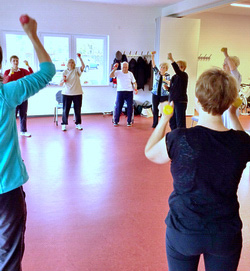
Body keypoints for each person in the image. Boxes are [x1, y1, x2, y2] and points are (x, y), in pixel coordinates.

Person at [145, 68, 250, 271]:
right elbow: (241, 138)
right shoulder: (242, 143)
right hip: (224, 234)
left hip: (184, 232)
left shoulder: (180, 138)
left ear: (197, 99)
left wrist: (164, 120)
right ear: (229, 102)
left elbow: (150, 152)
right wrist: (233, 115)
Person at [0, 15, 55, 270]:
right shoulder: (6, 94)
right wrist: (32, 35)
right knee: (9, 259)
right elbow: (47, 72)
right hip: (7, 192)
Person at [3, 56, 34, 137]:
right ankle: (9, 133)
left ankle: (23, 131)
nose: (16, 62)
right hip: (13, 98)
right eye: (14, 61)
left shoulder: (23, 71)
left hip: (23, 96)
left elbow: (32, 75)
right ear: (11, 62)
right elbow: (5, 82)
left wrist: (28, 66)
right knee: (12, 116)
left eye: (17, 60)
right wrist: (10, 73)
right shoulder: (7, 72)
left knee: (23, 114)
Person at [60, 55, 85, 131]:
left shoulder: (77, 70)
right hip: (66, 93)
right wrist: (63, 80)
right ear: (67, 64)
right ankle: (64, 124)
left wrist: (80, 58)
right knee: (65, 109)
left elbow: (83, 66)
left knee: (77, 109)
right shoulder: (64, 72)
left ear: (74, 64)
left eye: (72, 62)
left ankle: (78, 124)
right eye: (69, 62)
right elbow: (60, 84)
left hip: (77, 93)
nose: (71, 63)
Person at [110, 61, 138, 127]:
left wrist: (135, 89)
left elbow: (134, 82)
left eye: (126, 67)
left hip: (129, 92)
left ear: (128, 67)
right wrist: (114, 68)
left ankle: (129, 121)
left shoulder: (130, 74)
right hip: (120, 92)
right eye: (123, 67)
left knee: (129, 107)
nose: (124, 68)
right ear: (121, 67)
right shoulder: (118, 72)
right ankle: (116, 121)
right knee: (118, 106)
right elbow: (110, 75)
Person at [221, 47, 242, 128]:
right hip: (224, 103)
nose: (223, 65)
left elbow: (233, 68)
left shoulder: (235, 75)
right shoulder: (224, 76)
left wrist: (226, 54)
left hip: (231, 104)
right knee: (223, 125)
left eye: (226, 63)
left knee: (230, 125)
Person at [167, 53, 188, 130]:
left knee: (180, 122)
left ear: (184, 68)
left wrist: (171, 59)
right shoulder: (174, 77)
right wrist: (168, 88)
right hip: (173, 101)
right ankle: (175, 136)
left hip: (180, 102)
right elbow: (174, 89)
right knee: (172, 121)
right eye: (178, 66)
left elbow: (177, 71)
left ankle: (181, 138)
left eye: (180, 67)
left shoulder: (184, 75)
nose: (179, 68)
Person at [151, 51, 170, 128]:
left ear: (166, 69)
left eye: (164, 67)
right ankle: (155, 123)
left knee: (163, 110)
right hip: (155, 94)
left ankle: (162, 124)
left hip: (164, 95)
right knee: (155, 109)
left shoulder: (168, 75)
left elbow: (169, 83)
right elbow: (153, 65)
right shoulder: (157, 73)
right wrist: (152, 56)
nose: (162, 68)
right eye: (161, 67)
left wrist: (165, 80)